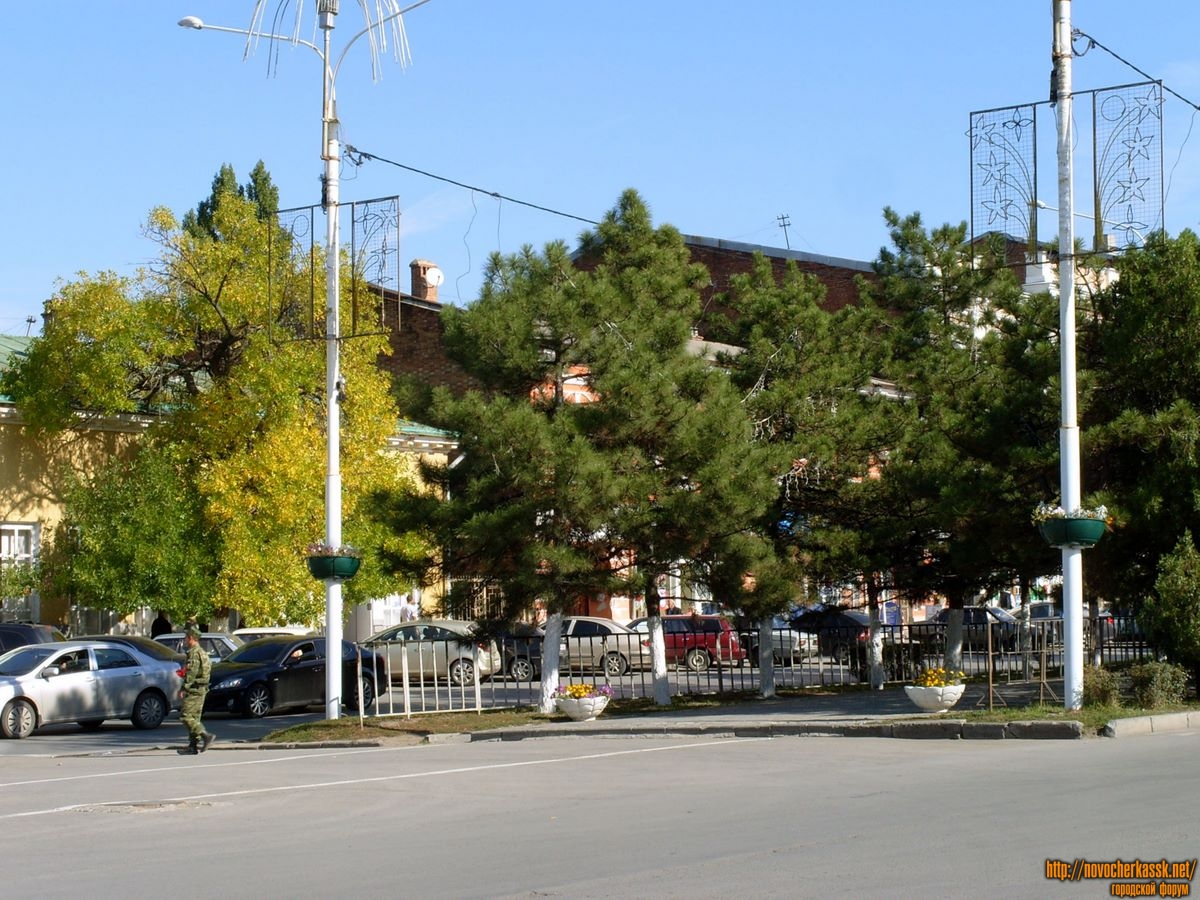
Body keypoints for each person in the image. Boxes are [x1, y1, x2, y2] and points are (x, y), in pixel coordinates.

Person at [178, 625, 215, 756]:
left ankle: (206, 736)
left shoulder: (194, 653)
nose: (184, 640)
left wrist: (184, 687)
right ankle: (192, 746)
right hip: (202, 688)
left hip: (194, 689)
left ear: (191, 638)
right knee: (194, 718)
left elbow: (191, 673)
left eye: (186, 637)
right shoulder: (202, 652)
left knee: (186, 716)